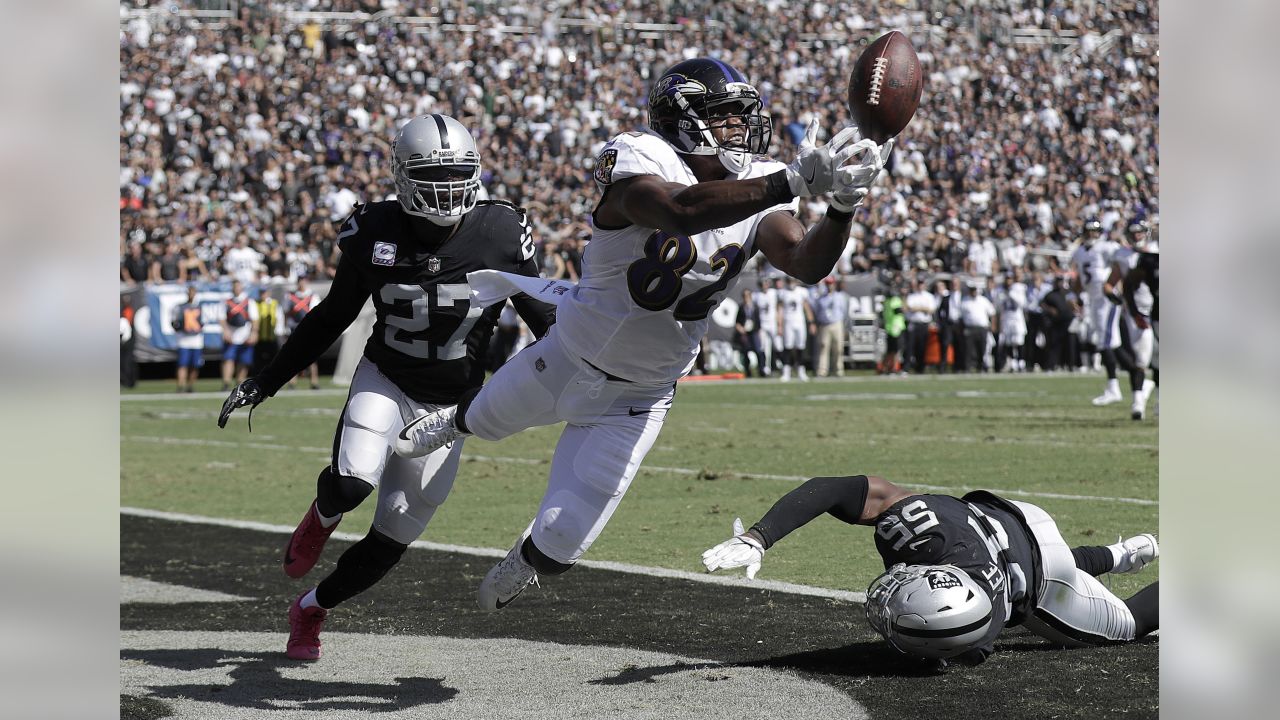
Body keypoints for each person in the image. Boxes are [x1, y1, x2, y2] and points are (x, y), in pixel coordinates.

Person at [392, 57, 890, 613]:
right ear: (682, 119)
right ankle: (452, 422)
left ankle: (524, 560)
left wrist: (842, 208)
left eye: (740, 117)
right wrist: (790, 179)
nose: (738, 129)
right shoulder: (637, 154)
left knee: (558, 551)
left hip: (641, 396)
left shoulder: (761, 180)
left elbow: (803, 260)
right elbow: (679, 211)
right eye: (724, 117)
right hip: (568, 353)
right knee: (482, 420)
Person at [216, 114, 557, 661]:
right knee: (352, 484)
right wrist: (268, 379)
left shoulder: (499, 232)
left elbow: (544, 316)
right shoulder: (372, 229)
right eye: (431, 174)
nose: (446, 188)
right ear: (401, 176)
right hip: (388, 378)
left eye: (456, 174)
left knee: (394, 536)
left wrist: (586, 371)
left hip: (451, 408)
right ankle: (323, 516)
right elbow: (333, 315)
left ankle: (310, 609)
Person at [702, 473, 1158, 666]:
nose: (894, 582)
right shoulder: (919, 533)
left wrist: (760, 536)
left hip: (1041, 578)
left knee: (1131, 623)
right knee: (1046, 563)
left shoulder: (975, 629)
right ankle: (1120, 555)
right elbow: (833, 490)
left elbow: (969, 651)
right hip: (1018, 522)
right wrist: (757, 537)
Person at [1071, 220, 1127, 404]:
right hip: (1093, 299)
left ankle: (1115, 387)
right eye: (1088, 231)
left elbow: (1123, 263)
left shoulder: (1106, 247)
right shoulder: (1079, 252)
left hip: (1106, 298)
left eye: (1095, 231)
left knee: (1106, 342)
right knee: (1106, 342)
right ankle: (1136, 378)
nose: (1091, 235)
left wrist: (1117, 288)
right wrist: (1075, 295)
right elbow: (1080, 277)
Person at [1122, 235, 1160, 419]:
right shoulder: (1149, 260)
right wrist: (1135, 312)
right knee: (1142, 360)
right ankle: (1138, 404)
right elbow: (1128, 283)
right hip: (1154, 316)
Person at [220, 279, 259, 391]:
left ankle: (240, 384)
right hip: (231, 333)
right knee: (228, 359)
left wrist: (254, 333)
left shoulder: (249, 302)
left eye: (238, 286)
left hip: (244, 334)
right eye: (234, 286)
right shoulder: (226, 302)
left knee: (244, 361)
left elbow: (255, 319)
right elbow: (222, 318)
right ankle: (226, 383)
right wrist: (225, 331)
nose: (236, 288)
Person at [284, 276, 321, 389]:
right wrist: (285, 327)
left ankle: (314, 381)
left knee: (311, 356)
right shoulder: (290, 296)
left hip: (308, 328)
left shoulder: (313, 296)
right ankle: (292, 382)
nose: (302, 283)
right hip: (294, 328)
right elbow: (286, 312)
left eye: (304, 281)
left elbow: (316, 313)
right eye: (300, 281)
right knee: (293, 355)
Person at [778, 276, 814, 382]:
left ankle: (801, 371)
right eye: (789, 281)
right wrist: (779, 325)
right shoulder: (783, 293)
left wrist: (811, 322)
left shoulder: (802, 292)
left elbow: (807, 307)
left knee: (800, 347)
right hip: (788, 322)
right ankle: (786, 372)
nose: (791, 283)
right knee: (787, 347)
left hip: (800, 322)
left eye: (792, 280)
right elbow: (779, 309)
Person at [812, 277, 848, 378]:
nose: (829, 286)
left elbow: (844, 312)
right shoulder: (821, 298)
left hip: (837, 323)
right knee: (824, 347)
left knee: (838, 348)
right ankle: (822, 370)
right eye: (827, 284)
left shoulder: (840, 297)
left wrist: (845, 326)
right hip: (824, 324)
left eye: (831, 283)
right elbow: (817, 312)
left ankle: (838, 369)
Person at [171, 284, 205, 392]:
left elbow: (204, 322)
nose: (191, 294)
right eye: (189, 292)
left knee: (195, 365)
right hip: (184, 339)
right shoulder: (180, 307)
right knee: (182, 364)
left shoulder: (200, 307)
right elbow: (173, 321)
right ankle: (180, 386)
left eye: (193, 292)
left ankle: (190, 386)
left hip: (196, 339)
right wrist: (178, 327)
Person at [959, 282, 997, 372]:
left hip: (982, 328)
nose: (973, 292)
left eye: (974, 290)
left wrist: (993, 325)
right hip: (969, 327)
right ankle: (968, 367)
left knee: (982, 348)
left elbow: (992, 313)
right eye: (972, 290)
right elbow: (961, 317)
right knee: (969, 349)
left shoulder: (983, 300)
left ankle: (982, 366)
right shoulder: (965, 301)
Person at [902, 277, 936, 374]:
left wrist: (916, 308)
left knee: (922, 347)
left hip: (924, 324)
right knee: (910, 346)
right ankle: (906, 368)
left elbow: (930, 310)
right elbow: (907, 308)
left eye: (922, 284)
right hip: (913, 323)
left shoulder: (929, 296)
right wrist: (922, 308)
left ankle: (920, 368)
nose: (920, 286)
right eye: (919, 284)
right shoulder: (912, 296)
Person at [252, 285, 284, 377]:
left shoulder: (274, 304)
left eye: (264, 292)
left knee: (273, 361)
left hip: (272, 337)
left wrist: (279, 333)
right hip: (259, 337)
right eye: (261, 292)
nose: (263, 294)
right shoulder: (255, 303)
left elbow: (280, 319)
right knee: (258, 362)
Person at [755, 277, 781, 377]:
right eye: (762, 283)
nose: (764, 285)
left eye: (766, 283)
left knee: (778, 345)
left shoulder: (773, 293)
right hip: (762, 324)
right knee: (764, 347)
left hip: (773, 323)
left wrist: (779, 324)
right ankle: (766, 368)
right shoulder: (757, 295)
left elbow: (779, 307)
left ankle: (781, 365)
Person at [880, 284, 905, 375]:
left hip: (889, 327)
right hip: (896, 328)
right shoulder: (895, 300)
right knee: (895, 350)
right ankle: (893, 368)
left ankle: (883, 368)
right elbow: (899, 310)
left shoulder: (886, 302)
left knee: (890, 351)